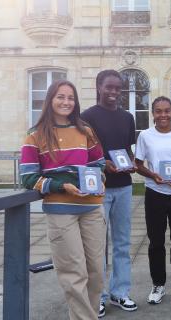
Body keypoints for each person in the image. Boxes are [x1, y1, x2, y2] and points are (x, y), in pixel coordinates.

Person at [20, 80, 106, 320]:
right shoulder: (34, 135)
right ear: (50, 100)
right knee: (74, 273)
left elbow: (98, 165)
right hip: (61, 211)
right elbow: (28, 178)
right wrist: (61, 186)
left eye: (71, 97)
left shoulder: (85, 130)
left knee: (96, 273)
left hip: (91, 208)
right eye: (60, 97)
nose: (66, 102)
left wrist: (99, 182)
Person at [80, 70, 137, 317]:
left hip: (124, 186)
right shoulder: (86, 117)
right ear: (98, 87)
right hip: (98, 188)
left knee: (123, 243)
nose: (114, 92)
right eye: (109, 87)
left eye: (118, 88)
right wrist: (104, 162)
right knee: (97, 245)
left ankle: (120, 292)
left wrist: (132, 162)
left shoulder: (128, 118)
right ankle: (99, 295)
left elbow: (127, 149)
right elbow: (82, 154)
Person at [135, 96, 171, 305]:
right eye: (159, 111)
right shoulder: (145, 136)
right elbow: (138, 164)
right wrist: (153, 176)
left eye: (167, 111)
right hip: (154, 194)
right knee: (156, 242)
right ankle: (158, 284)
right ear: (153, 113)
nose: (163, 115)